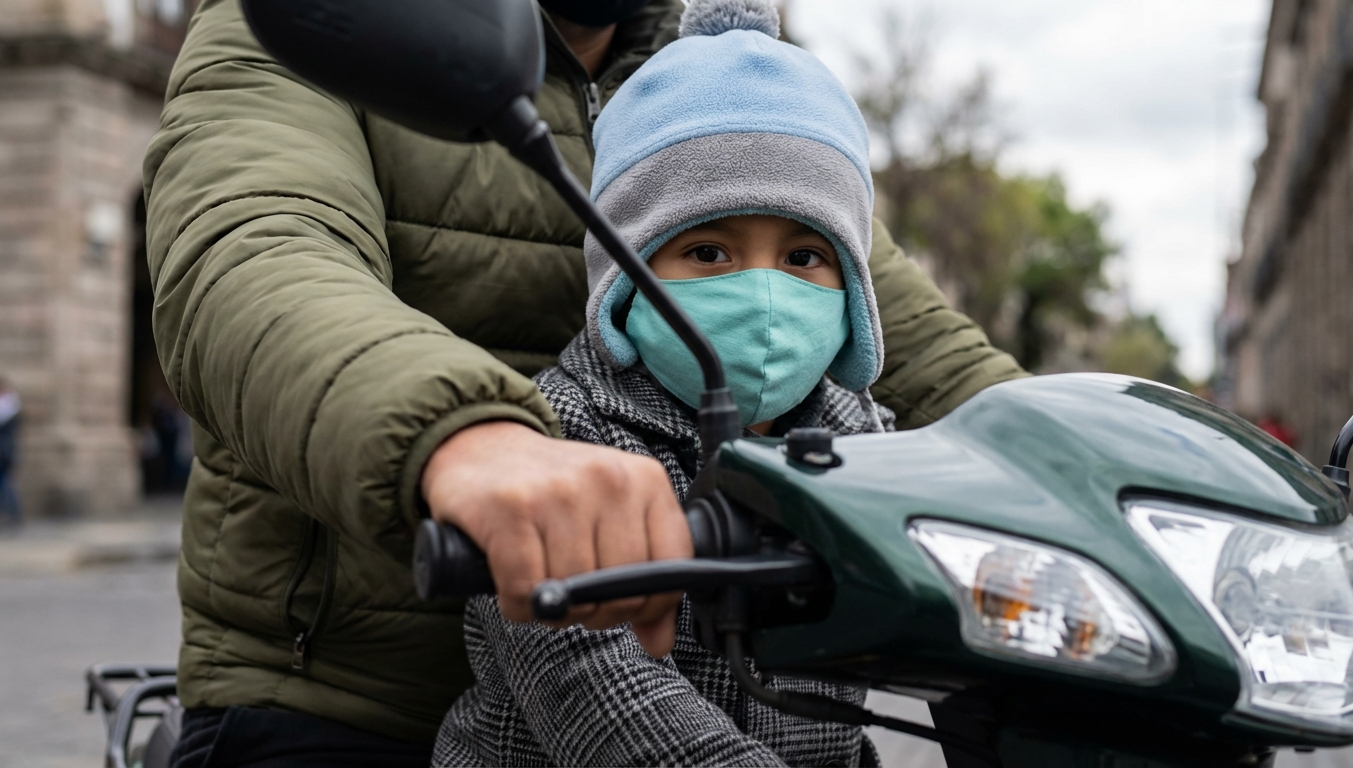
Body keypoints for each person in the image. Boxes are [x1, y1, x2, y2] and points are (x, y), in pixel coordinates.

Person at [147, 0, 1025, 763]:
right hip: (346, 693)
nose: (765, 287)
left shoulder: (718, 76)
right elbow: (251, 255)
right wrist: (465, 439)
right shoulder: (317, 20)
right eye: (711, 251)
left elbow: (914, 333)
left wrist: (1094, 463)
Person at [436, 4, 886, 763]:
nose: (765, 297)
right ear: (624, 279)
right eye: (709, 252)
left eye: (805, 257)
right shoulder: (557, 441)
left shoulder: (870, 445)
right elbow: (608, 701)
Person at [0, 378, 20, 526]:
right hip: (7, 450)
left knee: (5, 483)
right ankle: (12, 515)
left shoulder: (8, 406)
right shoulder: (12, 404)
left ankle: (13, 515)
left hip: (4, 451)